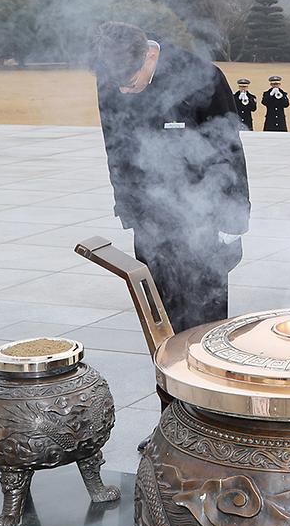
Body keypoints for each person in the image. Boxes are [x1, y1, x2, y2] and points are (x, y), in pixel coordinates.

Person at [91, 21, 250, 334]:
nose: (123, 90)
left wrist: (234, 218)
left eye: (131, 82)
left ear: (150, 57)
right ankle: (166, 372)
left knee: (203, 314)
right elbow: (116, 148)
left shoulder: (202, 78)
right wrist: (129, 207)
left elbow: (229, 149)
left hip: (201, 215)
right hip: (149, 216)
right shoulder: (111, 76)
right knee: (160, 312)